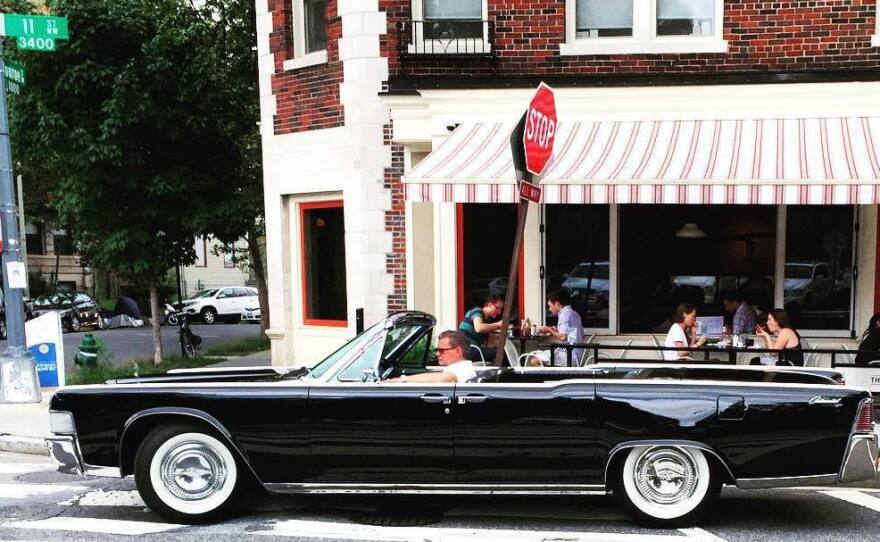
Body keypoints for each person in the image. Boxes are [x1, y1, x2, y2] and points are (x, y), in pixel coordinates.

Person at [388, 330, 476, 383]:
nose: (437, 354)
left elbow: (441, 378)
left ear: (457, 351)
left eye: (442, 350)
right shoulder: (460, 368)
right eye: (437, 350)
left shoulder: (462, 369)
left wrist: (401, 380)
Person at [528, 289, 585, 366]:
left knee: (535, 360)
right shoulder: (574, 314)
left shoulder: (564, 315)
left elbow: (563, 337)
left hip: (569, 355)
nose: (549, 309)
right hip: (577, 355)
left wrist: (549, 330)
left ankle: (548, 377)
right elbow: (574, 335)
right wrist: (556, 330)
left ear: (557, 304)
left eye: (550, 306)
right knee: (542, 358)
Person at [459, 294, 505, 361]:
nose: (499, 312)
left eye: (501, 310)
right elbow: (479, 328)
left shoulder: (487, 321)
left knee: (501, 352)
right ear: (489, 305)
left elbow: (490, 341)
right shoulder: (477, 311)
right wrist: (498, 324)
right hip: (467, 350)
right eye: (498, 308)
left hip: (473, 350)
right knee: (501, 353)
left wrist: (505, 338)